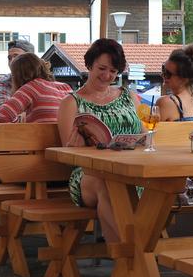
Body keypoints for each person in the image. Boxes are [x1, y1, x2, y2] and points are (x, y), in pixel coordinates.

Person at [57, 39, 144, 243]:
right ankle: (126, 257)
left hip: (129, 170)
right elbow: (67, 153)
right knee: (108, 185)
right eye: (102, 68)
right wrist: (77, 142)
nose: (107, 76)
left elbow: (143, 133)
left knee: (158, 190)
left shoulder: (129, 97)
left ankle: (134, 255)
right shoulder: (71, 102)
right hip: (89, 174)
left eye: (113, 71)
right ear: (89, 65)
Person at [0, 53, 72, 124]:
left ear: (17, 76)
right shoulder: (65, 87)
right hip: (67, 137)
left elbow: (2, 117)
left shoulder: (32, 87)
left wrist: (18, 122)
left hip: (42, 137)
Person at [157, 44, 193, 122]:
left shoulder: (166, 103)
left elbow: (148, 132)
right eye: (163, 69)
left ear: (184, 79)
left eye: (168, 73)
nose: (162, 74)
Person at [0, 39, 35, 106]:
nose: (12, 61)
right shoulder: (5, 82)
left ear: (31, 60)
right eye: (9, 58)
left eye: (17, 56)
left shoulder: (42, 81)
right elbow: (4, 112)